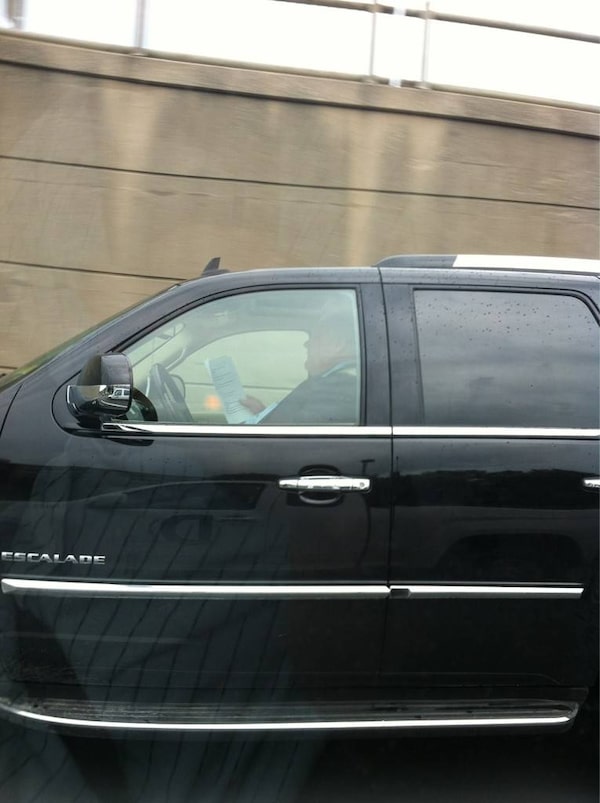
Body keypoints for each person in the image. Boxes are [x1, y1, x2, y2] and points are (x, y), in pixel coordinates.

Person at [241, 308, 359, 425]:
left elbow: (290, 433)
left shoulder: (338, 388)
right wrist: (262, 412)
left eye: (316, 337)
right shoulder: (331, 381)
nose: (306, 344)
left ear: (337, 344)